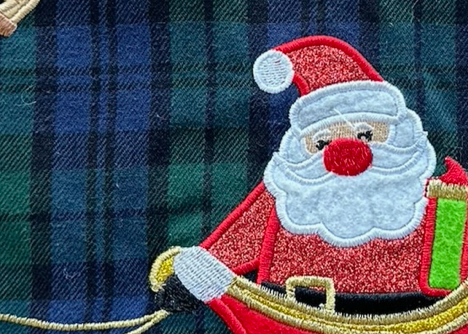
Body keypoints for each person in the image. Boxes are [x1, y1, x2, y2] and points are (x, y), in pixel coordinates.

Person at [165, 37, 439, 308]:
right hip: (292, 304)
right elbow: (244, 236)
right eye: (321, 143)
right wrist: (193, 279)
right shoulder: (291, 191)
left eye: (366, 135)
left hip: (410, 304)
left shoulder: (430, 194)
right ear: (301, 147)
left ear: (397, 133)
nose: (344, 153)